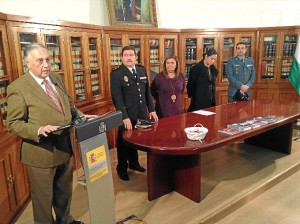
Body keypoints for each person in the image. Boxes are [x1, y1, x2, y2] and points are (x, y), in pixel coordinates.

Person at [6, 43, 97, 224]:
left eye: (48, 59)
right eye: (40, 61)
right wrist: (38, 130)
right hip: (41, 153)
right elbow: (13, 123)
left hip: (64, 147)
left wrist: (80, 116)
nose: (46, 64)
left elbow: (69, 106)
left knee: (64, 191)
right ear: (28, 63)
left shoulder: (55, 78)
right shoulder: (18, 87)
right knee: (43, 200)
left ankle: (65, 220)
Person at [110, 45, 158, 181]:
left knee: (135, 141)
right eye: (126, 55)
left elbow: (147, 93)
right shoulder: (116, 74)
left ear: (135, 57)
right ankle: (122, 168)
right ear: (121, 58)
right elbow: (117, 99)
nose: (129, 58)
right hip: (126, 116)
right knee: (123, 143)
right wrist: (124, 116)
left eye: (131, 55)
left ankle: (134, 163)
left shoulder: (141, 70)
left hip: (141, 114)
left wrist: (152, 109)